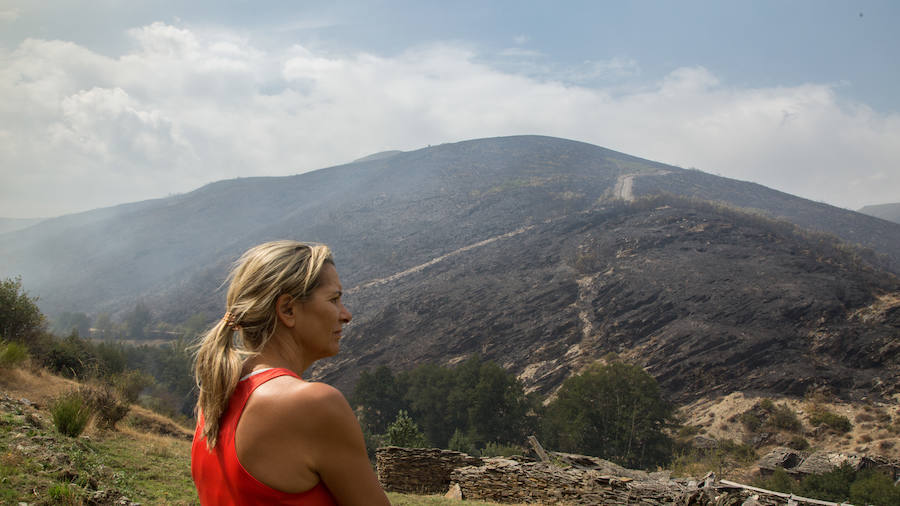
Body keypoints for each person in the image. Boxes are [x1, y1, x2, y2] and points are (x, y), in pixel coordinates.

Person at [191, 240, 390, 505]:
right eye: (334, 299)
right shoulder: (312, 405)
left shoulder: (218, 392)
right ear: (288, 309)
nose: (346, 315)